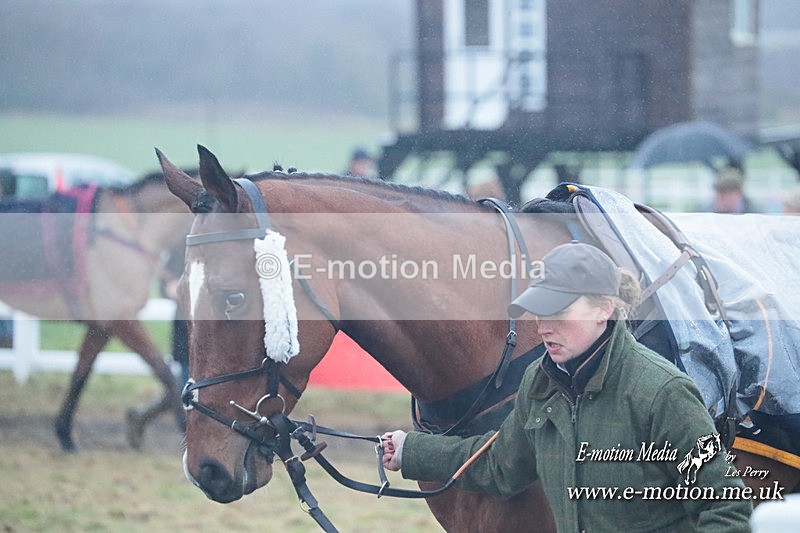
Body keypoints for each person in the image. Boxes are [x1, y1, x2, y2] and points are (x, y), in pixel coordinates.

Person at [382, 242, 752, 531]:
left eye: (559, 311)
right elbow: (500, 466)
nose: (544, 326)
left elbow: (723, 505)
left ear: (603, 309)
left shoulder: (662, 392)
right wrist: (409, 450)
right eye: (540, 311)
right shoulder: (540, 383)